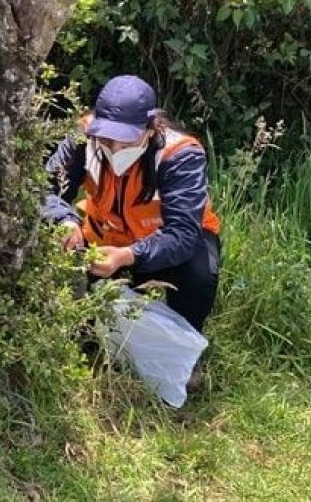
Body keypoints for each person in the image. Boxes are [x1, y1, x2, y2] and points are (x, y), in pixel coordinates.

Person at [42, 75, 221, 385]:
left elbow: (181, 235)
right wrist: (65, 221)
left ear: (151, 130)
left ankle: (184, 351)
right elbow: (44, 189)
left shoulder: (180, 155)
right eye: (107, 139)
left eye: (126, 140)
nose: (115, 148)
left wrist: (127, 256)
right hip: (102, 240)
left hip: (164, 246)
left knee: (199, 272)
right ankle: (87, 337)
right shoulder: (84, 139)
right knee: (66, 279)